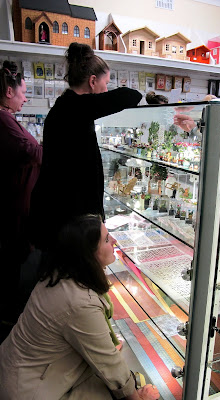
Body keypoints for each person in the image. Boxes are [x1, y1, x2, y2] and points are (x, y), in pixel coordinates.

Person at [0, 214, 159, 399]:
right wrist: (136, 396)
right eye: (107, 239)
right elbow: (108, 361)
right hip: (29, 390)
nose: (114, 241)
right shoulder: (80, 302)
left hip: (15, 369)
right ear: (90, 254)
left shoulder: (59, 274)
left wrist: (102, 344)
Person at [30, 42, 142, 251]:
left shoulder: (67, 106)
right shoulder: (75, 107)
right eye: (105, 83)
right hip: (64, 221)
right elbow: (131, 95)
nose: (106, 89)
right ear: (92, 81)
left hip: (58, 215)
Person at [0, 61, 42, 325]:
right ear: (8, 92)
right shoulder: (3, 120)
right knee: (12, 268)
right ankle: (9, 319)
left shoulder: (7, 118)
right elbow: (32, 151)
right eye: (23, 93)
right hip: (13, 209)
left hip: (16, 207)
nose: (26, 98)